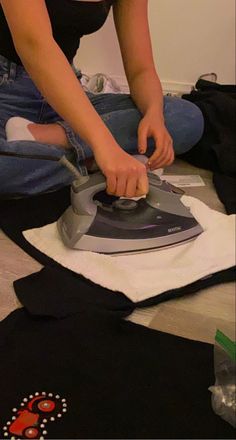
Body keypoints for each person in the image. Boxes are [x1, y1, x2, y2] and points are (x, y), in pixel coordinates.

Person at [0, 0, 204, 198]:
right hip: (7, 91)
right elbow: (34, 45)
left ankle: (47, 139)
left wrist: (154, 114)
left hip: (69, 97)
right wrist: (104, 146)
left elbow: (141, 70)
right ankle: (92, 162)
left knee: (186, 118)